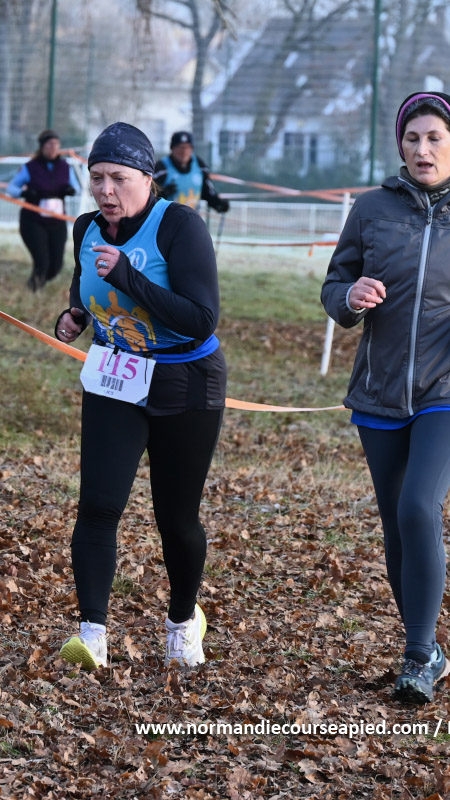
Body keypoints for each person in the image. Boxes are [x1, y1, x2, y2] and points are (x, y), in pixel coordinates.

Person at [321, 92, 450, 704]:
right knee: (396, 526)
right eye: (412, 138)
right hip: (381, 392)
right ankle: (429, 649)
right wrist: (350, 297)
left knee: (418, 506)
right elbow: (335, 284)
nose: (422, 149)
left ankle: (416, 655)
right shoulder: (371, 210)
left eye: (435, 137)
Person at [54, 122, 226, 671]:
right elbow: (86, 285)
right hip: (116, 377)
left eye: (119, 178)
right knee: (99, 505)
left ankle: (182, 622)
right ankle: (92, 635)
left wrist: (130, 278)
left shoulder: (180, 227)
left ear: (148, 178)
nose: (106, 190)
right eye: (97, 178)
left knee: (175, 518)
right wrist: (76, 316)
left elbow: (200, 319)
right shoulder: (86, 227)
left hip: (185, 381)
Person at [6, 129, 81, 290]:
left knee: (56, 266)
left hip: (57, 221)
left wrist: (71, 190)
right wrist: (24, 193)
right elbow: (11, 188)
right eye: (49, 144)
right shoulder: (30, 167)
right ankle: (32, 292)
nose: (53, 147)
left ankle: (33, 288)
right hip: (33, 221)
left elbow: (77, 187)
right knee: (42, 263)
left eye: (56, 144)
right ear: (42, 146)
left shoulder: (65, 167)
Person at [154, 131, 230, 214]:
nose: (183, 151)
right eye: (180, 147)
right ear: (172, 148)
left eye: (187, 147)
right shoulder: (161, 168)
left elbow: (207, 191)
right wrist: (163, 193)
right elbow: (149, 195)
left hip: (191, 218)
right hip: (166, 218)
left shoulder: (199, 166)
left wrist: (218, 203)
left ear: (192, 149)